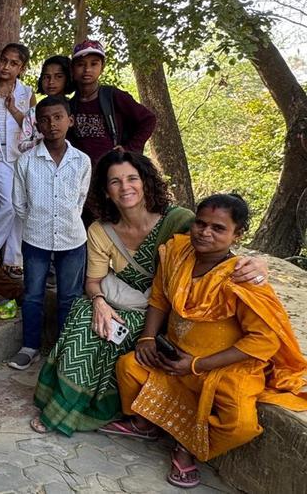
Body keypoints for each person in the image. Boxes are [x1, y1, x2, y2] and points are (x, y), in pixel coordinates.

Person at [33, 152, 267, 436]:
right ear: (106, 191)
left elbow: (217, 250)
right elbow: (93, 281)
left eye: (132, 178)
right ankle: (62, 405)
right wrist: (99, 304)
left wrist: (258, 263)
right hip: (112, 299)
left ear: (145, 182)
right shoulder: (100, 230)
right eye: (115, 182)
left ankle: (100, 409)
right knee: (85, 322)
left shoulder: (179, 221)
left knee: (111, 335)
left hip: (159, 311)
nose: (125, 187)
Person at [112, 195, 305, 488]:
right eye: (201, 223)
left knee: (239, 425)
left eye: (218, 228)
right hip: (174, 358)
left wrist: (198, 364)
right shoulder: (178, 252)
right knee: (129, 367)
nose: (205, 232)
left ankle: (186, 446)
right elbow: (160, 297)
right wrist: (148, 338)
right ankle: (146, 424)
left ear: (237, 235)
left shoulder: (243, 279)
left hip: (222, 369)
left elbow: (264, 341)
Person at [9, 96, 92, 371]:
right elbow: (19, 204)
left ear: (70, 120)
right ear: (37, 124)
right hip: (36, 238)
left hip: (72, 238)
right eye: (45, 119)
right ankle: (30, 346)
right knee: (33, 294)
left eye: (58, 117)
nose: (52, 124)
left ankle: (62, 349)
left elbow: (80, 201)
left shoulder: (82, 161)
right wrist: (40, 222)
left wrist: (63, 221)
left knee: (69, 296)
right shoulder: (26, 162)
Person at [0, 44, 34, 277]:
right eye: (3, 60)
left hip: (21, 156)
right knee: (6, 204)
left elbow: (35, 127)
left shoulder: (27, 93)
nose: (6, 66)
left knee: (20, 207)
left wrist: (14, 108)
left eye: (13, 63)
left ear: (21, 68)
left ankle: (13, 258)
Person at [69, 39, 156, 166]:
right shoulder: (70, 105)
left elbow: (148, 119)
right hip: (82, 172)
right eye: (81, 64)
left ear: (102, 67)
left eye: (94, 64)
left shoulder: (112, 96)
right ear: (73, 68)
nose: (87, 69)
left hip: (112, 168)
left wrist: (128, 149)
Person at [17, 55, 73, 156]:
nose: (51, 82)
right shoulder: (33, 113)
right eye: (46, 77)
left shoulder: (74, 108)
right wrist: (43, 143)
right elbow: (22, 145)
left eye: (58, 76)